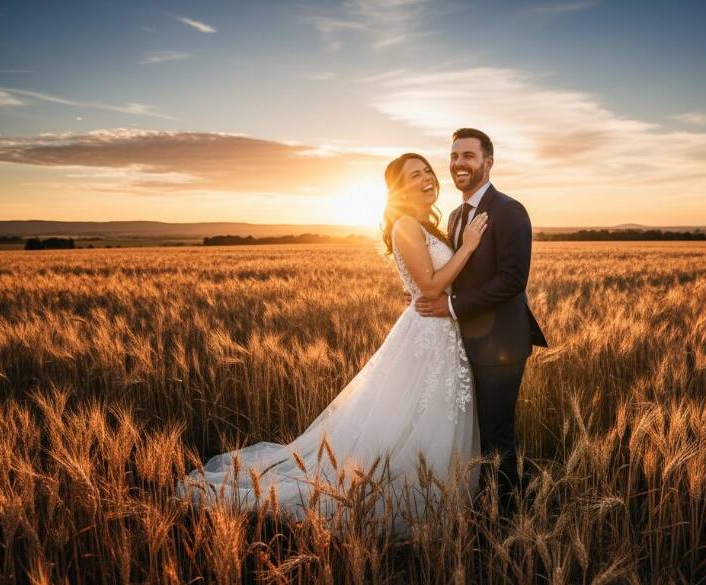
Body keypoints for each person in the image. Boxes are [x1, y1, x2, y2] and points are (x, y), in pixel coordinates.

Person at [176, 153, 487, 533]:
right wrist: (469, 246)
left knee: (431, 419)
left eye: (427, 171)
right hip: (428, 337)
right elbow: (432, 285)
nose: (426, 179)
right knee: (416, 421)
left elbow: (432, 282)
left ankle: (440, 496)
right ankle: (416, 500)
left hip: (441, 334)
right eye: (413, 175)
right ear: (398, 190)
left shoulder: (425, 226)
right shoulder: (406, 224)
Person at [415, 128, 548, 516]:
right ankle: (483, 503)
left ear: (488, 163)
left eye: (468, 156)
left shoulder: (509, 210)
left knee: (497, 435)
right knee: (475, 435)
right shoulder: (456, 215)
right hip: (464, 343)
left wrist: (452, 307)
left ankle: (506, 516)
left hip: (501, 347)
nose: (459, 163)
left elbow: (512, 280)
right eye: (454, 156)